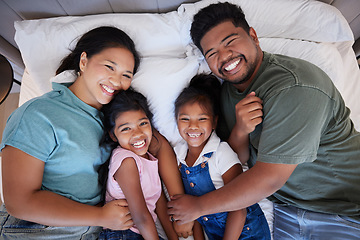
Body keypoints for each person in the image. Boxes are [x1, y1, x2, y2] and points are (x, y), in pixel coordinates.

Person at [168, 2, 360, 239]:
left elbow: (269, 179)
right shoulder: (229, 91)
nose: (224, 56)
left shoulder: (295, 87)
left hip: (345, 211)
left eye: (230, 42)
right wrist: (239, 131)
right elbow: (235, 159)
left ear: (253, 36)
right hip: (287, 211)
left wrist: (198, 207)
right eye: (212, 53)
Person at [0, 26, 185, 239]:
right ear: (84, 61)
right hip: (36, 230)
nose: (116, 81)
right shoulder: (39, 114)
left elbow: (157, 144)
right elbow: (19, 203)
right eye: (109, 67)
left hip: (95, 231)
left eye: (126, 75)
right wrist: (100, 217)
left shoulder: (116, 117)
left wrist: (180, 208)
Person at [173, 73, 270, 240]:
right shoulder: (179, 156)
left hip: (249, 231)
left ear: (214, 122)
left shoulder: (221, 153)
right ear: (176, 121)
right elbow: (193, 211)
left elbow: (239, 205)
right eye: (185, 119)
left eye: (202, 119)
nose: (193, 126)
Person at [99, 89, 178, 240]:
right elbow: (140, 216)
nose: (138, 133)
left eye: (143, 123)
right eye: (126, 129)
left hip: (142, 231)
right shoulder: (126, 161)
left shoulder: (148, 158)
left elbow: (158, 200)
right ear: (113, 135)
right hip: (122, 233)